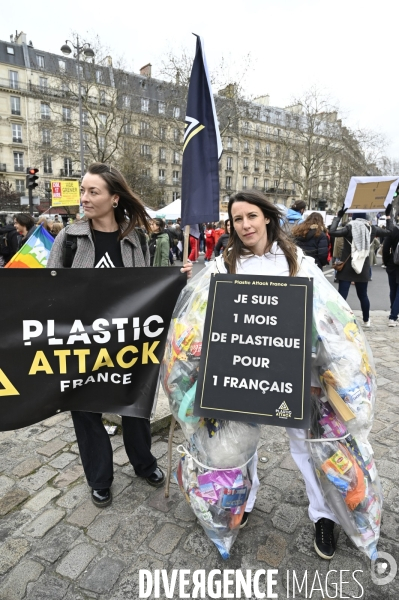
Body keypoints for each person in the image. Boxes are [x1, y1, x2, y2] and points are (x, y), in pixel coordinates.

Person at [47, 162, 192, 508]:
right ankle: (99, 478)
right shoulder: (69, 238)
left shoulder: (135, 238)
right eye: (82, 190)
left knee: (135, 404)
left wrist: (175, 277)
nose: (84, 198)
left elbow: (146, 290)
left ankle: (144, 463)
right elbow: (48, 289)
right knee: (84, 410)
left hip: (127, 343)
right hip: (81, 342)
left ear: (114, 198)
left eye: (92, 191)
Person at [213, 190, 342, 560]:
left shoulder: (296, 261)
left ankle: (323, 515)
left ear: (267, 217)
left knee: (305, 444)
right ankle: (242, 502)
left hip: (291, 373)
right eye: (237, 219)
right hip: (242, 371)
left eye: (251, 216)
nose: (245, 225)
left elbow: (326, 311)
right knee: (240, 442)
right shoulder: (225, 264)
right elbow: (205, 310)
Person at [329, 209, 389, 328]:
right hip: (362, 266)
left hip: (347, 266)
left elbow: (332, 231)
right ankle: (366, 320)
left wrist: (338, 217)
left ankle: (339, 319)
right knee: (363, 295)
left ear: (354, 217)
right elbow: (389, 231)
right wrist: (388, 217)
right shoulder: (372, 229)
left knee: (342, 295)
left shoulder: (349, 228)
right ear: (366, 218)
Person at [382, 211, 399, 326]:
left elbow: (385, 248)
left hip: (393, 264)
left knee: (393, 290)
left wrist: (388, 262)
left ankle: (393, 315)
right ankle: (393, 316)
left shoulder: (393, 230)